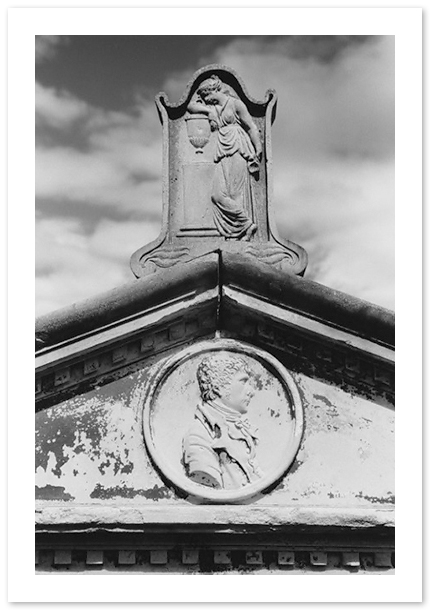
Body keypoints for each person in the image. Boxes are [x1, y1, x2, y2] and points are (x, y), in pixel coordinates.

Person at [187, 75, 261, 241]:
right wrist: (207, 111)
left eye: (206, 95)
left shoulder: (235, 104)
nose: (205, 100)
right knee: (217, 195)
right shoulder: (212, 109)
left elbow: (251, 126)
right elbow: (191, 106)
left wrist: (258, 148)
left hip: (238, 145)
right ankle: (246, 224)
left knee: (235, 193)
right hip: (222, 149)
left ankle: (243, 232)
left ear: (213, 90)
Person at [182, 352, 263, 490]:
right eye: (243, 382)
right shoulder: (200, 436)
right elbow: (206, 482)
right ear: (218, 386)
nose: (251, 391)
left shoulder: (237, 427)